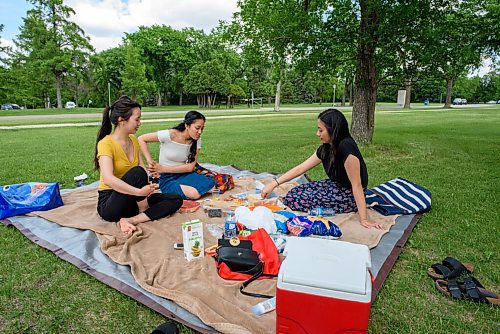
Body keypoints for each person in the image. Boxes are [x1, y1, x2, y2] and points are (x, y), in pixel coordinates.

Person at [261, 108, 382, 229]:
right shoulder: (326, 148)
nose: (317, 134)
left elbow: (357, 185)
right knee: (294, 192)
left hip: (349, 195)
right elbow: (301, 168)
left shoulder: (346, 148)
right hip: (335, 185)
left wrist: (364, 218)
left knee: (295, 199)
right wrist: (273, 184)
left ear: (332, 130)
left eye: (321, 130)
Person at [94, 96, 183, 235]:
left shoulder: (134, 140)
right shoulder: (106, 143)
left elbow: (143, 169)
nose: (139, 123)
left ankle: (131, 220)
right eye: (137, 119)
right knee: (137, 172)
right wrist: (139, 192)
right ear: (121, 120)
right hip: (111, 203)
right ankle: (144, 210)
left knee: (176, 199)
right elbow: (108, 179)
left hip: (133, 201)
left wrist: (150, 184)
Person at [138, 111, 216, 199]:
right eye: (197, 128)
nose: (200, 132)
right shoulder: (170, 134)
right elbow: (141, 139)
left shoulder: (196, 140)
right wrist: (149, 161)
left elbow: (190, 167)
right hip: (167, 177)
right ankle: (173, 188)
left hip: (183, 173)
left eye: (202, 128)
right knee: (195, 194)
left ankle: (185, 186)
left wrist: (162, 169)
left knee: (212, 186)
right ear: (187, 125)